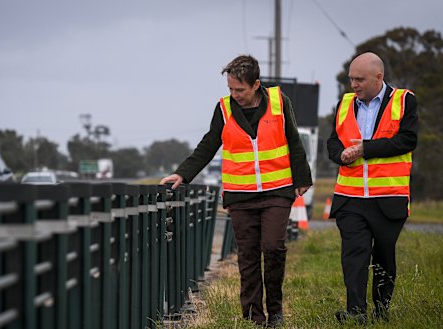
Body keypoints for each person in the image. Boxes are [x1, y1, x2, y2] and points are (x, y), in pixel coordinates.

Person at [161, 55, 312, 327]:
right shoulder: (224, 109)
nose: (234, 95)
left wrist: (302, 177)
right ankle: (253, 316)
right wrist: (183, 173)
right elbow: (209, 144)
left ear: (256, 84)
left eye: (239, 90)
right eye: (230, 89)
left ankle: (275, 310)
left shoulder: (279, 103)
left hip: (277, 190)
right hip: (241, 195)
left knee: (273, 247)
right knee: (249, 255)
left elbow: (293, 139)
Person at [326, 52, 418, 323]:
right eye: (351, 79)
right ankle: (356, 312)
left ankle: (381, 311)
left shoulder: (404, 101)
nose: (353, 84)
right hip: (350, 198)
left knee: (383, 258)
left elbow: (407, 141)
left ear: (378, 77)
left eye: (359, 79)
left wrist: (366, 149)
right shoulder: (344, 104)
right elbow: (332, 142)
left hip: (388, 197)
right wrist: (340, 154)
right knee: (354, 255)